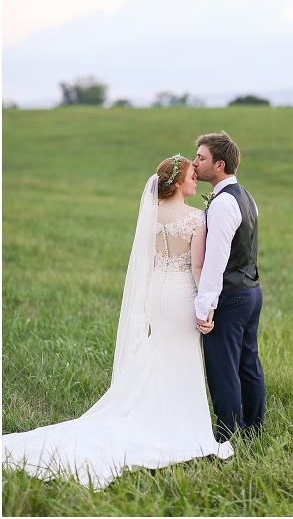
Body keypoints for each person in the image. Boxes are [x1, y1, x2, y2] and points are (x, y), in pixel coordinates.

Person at [2, 155, 234, 489]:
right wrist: (206, 306)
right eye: (191, 177)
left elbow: (150, 262)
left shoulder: (151, 216)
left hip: (157, 294)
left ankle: (149, 408)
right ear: (179, 182)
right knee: (179, 356)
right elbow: (198, 268)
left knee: (160, 350)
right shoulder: (196, 218)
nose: (196, 180)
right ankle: (175, 422)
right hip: (181, 295)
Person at [192, 131, 265, 441]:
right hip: (251, 291)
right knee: (248, 361)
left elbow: (216, 259)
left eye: (201, 158)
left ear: (219, 165)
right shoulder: (246, 196)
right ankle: (254, 426)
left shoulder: (223, 204)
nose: (195, 162)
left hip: (231, 295)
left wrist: (205, 305)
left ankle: (227, 435)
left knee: (223, 368)